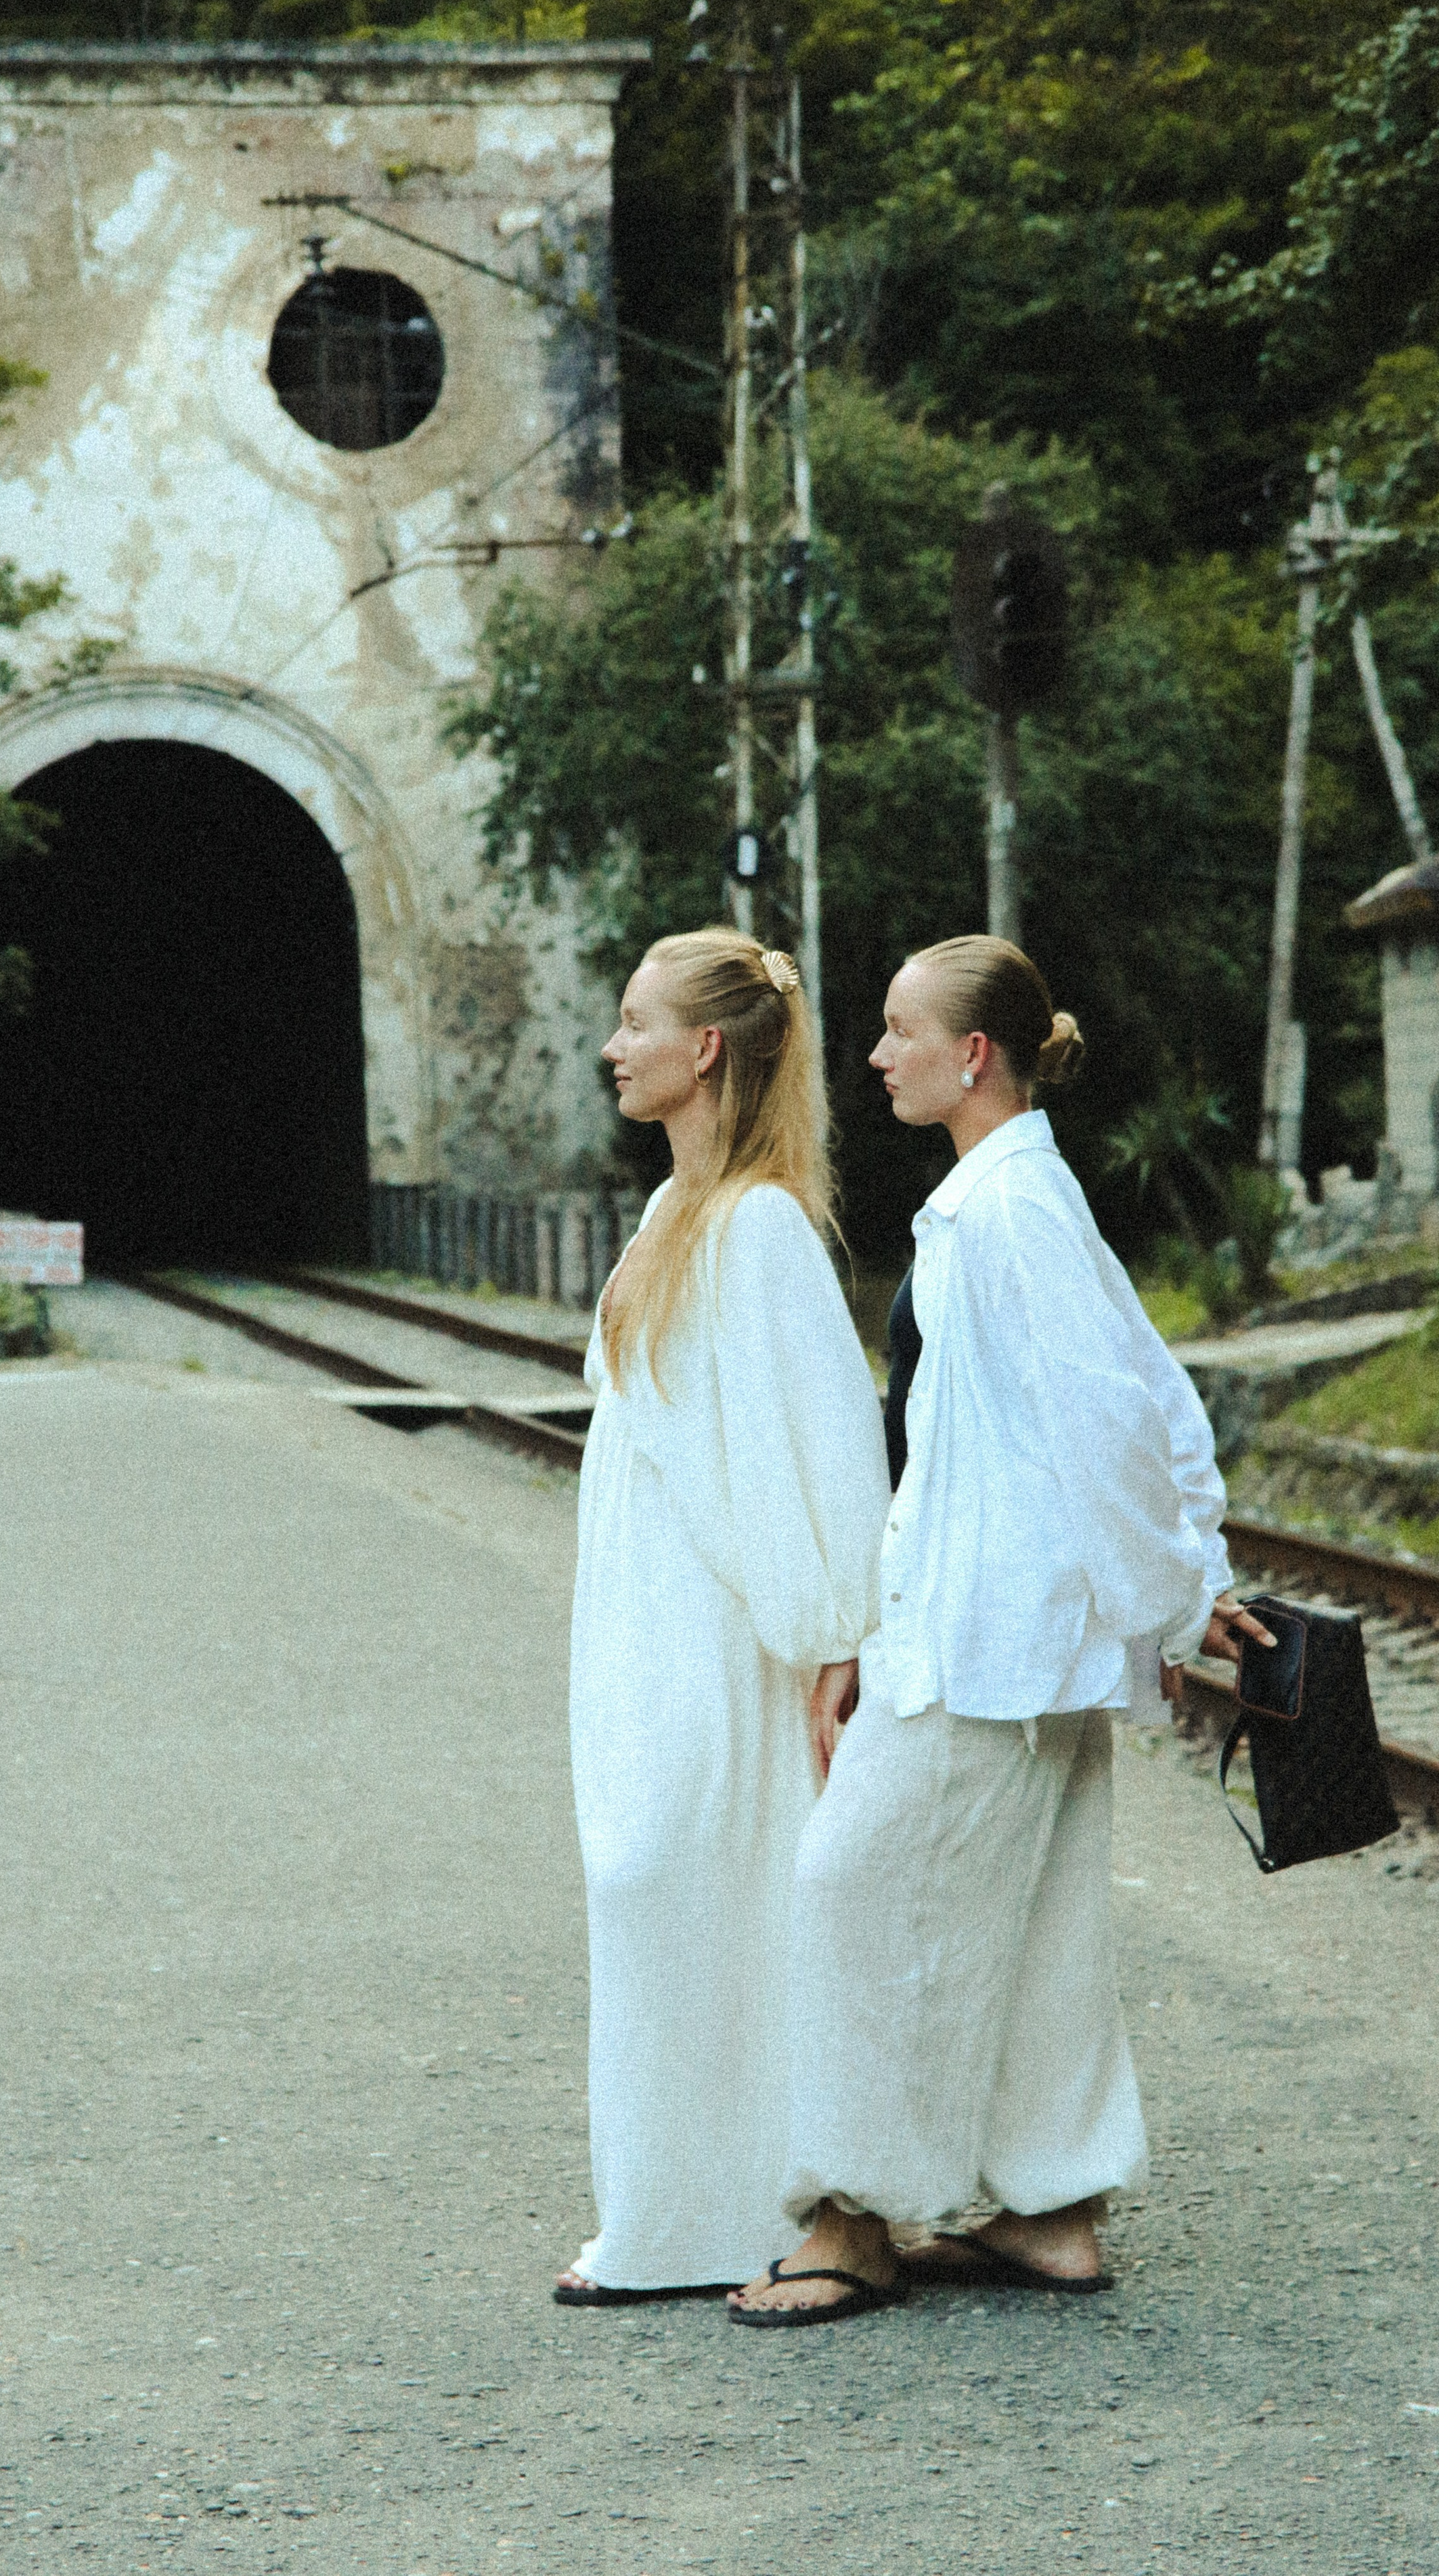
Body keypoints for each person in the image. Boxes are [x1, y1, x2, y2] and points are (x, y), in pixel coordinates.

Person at [730, 933, 1271, 2326]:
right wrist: (1182, 1575)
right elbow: (1147, 1393)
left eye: (898, 1030)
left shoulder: (1011, 1214)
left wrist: (1171, 1590)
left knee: (855, 1892)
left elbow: (1112, 1417)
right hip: (1009, 1634)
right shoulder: (1006, 1199)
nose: (873, 1054)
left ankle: (852, 2220)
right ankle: (1047, 2213)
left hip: (987, 1647)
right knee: (1033, 1927)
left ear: (971, 1055)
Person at [555, 927, 891, 2305]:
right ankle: (666, 2218)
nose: (612, 1045)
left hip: (728, 1627)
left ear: (704, 1050)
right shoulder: (663, 1214)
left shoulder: (759, 1227)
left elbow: (827, 1447)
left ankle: (757, 2205)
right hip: (643, 1611)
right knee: (652, 1888)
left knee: (696, 1884)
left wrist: (837, 1636)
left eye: (636, 1022)